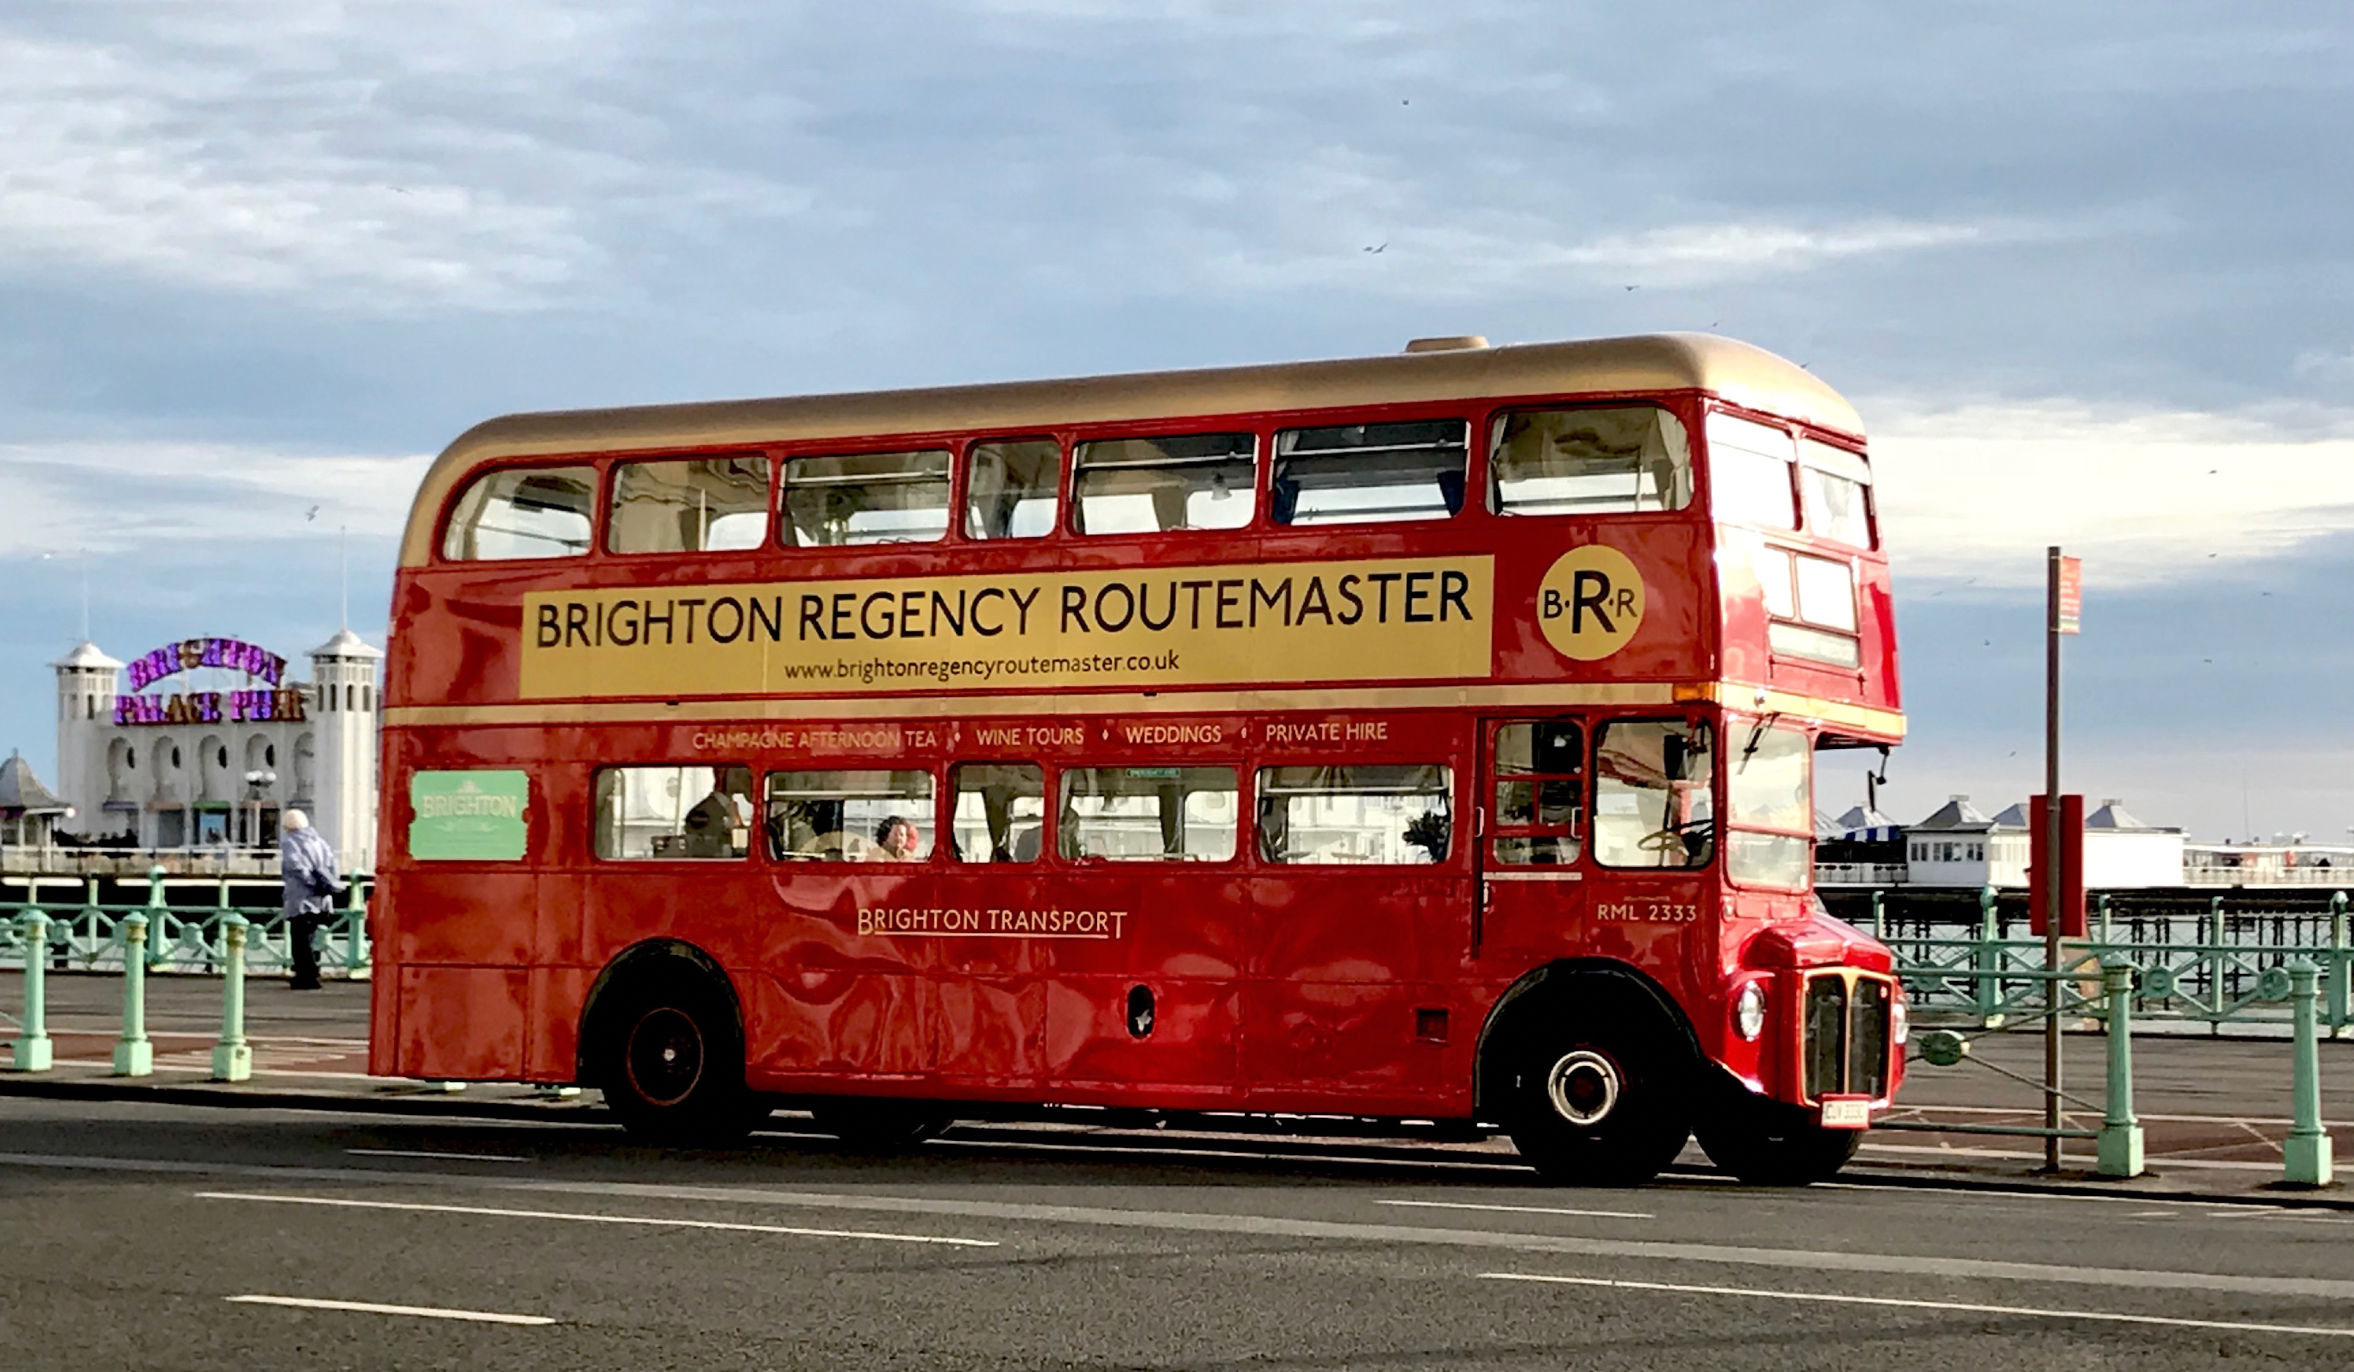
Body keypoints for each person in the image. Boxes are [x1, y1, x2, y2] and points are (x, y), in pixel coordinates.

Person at [279, 809, 346, 990]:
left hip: (300, 898)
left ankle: (306, 975)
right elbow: (332, 866)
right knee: (310, 936)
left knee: (299, 939)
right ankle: (312, 971)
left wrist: (309, 882)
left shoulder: (290, 842)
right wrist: (324, 885)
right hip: (321, 898)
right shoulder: (320, 842)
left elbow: (294, 865)